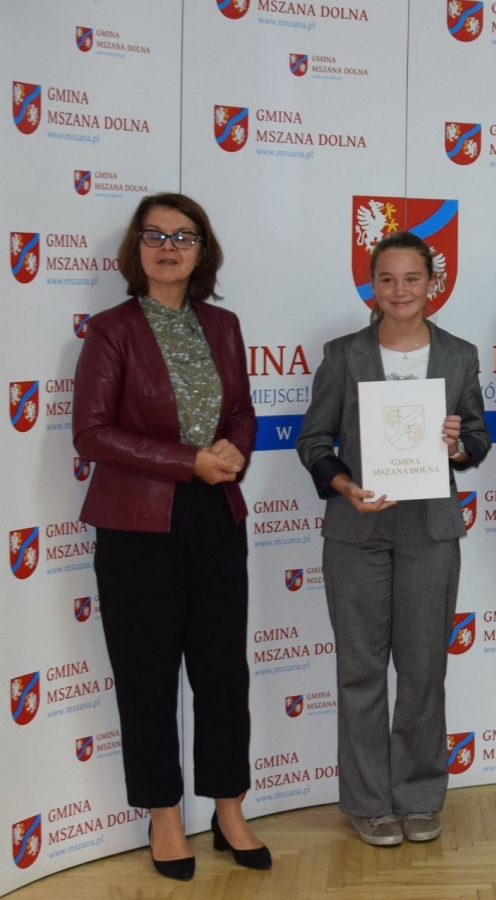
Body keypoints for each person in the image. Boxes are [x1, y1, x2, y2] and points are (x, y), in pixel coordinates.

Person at [72, 193, 271, 879]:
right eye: (154, 235)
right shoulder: (111, 330)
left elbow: (241, 411)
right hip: (136, 525)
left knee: (223, 671)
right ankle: (162, 815)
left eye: (183, 236)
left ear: (201, 250)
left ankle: (228, 806)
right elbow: (91, 433)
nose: (168, 247)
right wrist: (188, 461)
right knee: (147, 675)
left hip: (215, 514)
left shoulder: (223, 324)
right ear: (136, 248)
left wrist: (234, 449)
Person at [296, 231, 491, 846]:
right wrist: (344, 484)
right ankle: (367, 801)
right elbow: (313, 440)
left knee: (424, 669)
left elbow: (478, 438)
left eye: (412, 278)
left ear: (433, 284)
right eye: (387, 279)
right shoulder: (343, 354)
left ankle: (419, 795)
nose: (400, 290)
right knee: (359, 670)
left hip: (430, 529)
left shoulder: (458, 354)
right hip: (357, 527)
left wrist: (457, 446)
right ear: (372, 286)